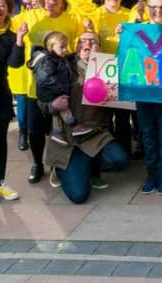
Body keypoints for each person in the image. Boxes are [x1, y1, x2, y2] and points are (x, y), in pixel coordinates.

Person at [41, 31, 129, 204]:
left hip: (94, 134)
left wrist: (119, 43)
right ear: (75, 46)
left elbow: (124, 95)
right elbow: (41, 99)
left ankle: (92, 167)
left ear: (100, 47)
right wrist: (52, 106)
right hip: (66, 137)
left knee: (120, 159)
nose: (87, 44)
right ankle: (59, 168)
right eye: (82, 41)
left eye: (92, 41)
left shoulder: (108, 69)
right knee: (79, 195)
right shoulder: (61, 66)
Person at [19, 0, 84, 183]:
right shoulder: (31, 17)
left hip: (62, 88)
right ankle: (37, 163)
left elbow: (76, 51)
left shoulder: (72, 20)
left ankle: (57, 164)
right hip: (36, 88)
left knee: (58, 129)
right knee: (36, 130)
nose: (52, 0)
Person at [128, 0, 162, 195]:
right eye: (154, 8)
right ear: (147, 8)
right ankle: (152, 173)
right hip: (144, 90)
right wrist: (125, 32)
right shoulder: (138, 29)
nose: (158, 12)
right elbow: (128, 49)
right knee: (147, 133)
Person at [28, 31, 94, 146]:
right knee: (63, 109)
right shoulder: (45, 61)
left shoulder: (57, 58)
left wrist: (75, 55)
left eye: (66, 47)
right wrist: (61, 89)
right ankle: (72, 127)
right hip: (51, 91)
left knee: (59, 112)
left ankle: (59, 132)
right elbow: (45, 78)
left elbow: (64, 60)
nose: (65, 50)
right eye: (62, 47)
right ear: (51, 46)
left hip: (56, 90)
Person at [0, 0, 27, 204]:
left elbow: (15, 63)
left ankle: (0, 182)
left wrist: (19, 40)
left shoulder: (8, 36)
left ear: (8, 11)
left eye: (1, 6)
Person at [92, 0, 132, 155]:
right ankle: (107, 152)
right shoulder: (95, 15)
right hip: (103, 66)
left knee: (123, 115)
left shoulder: (129, 14)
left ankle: (124, 150)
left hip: (124, 68)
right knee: (105, 115)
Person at [10, 0, 37, 151]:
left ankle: (36, 133)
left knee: (36, 104)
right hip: (20, 66)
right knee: (22, 102)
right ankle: (23, 132)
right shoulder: (14, 17)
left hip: (36, 66)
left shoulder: (41, 13)